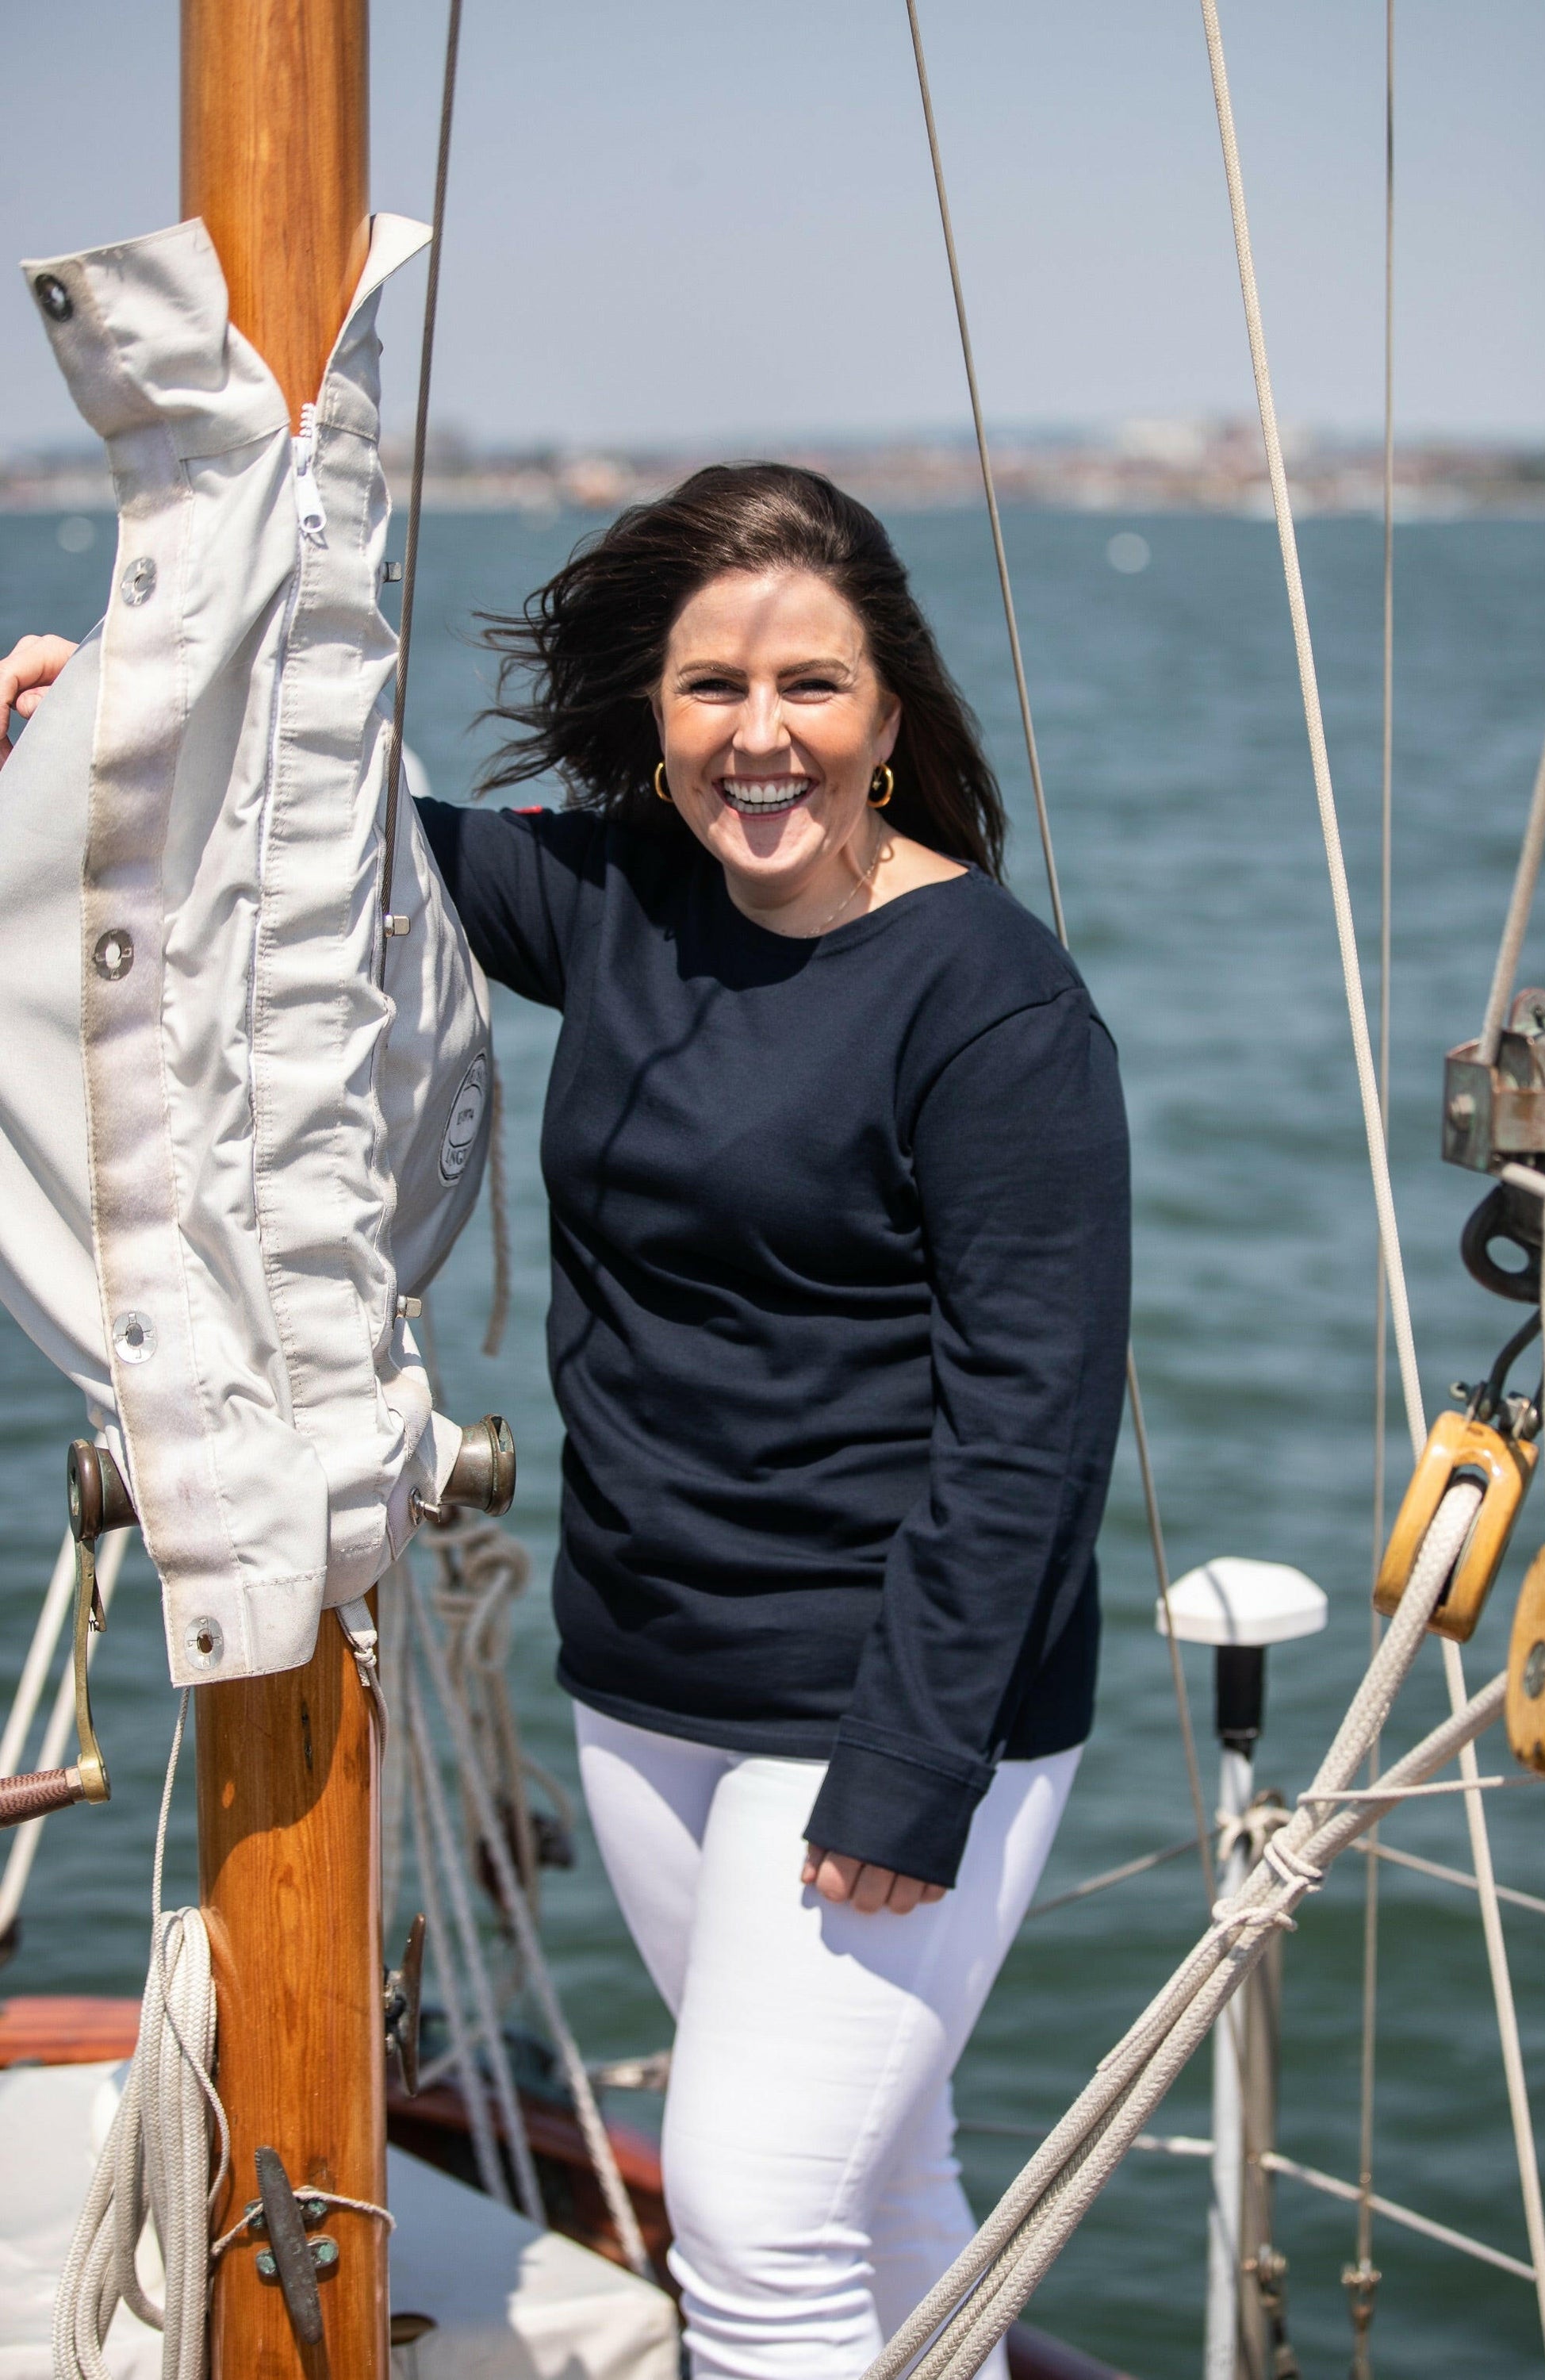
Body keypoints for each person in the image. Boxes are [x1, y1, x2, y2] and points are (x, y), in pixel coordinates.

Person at [1, 462, 1130, 2380]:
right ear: (654, 717)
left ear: (890, 714)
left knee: (758, 2229)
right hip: (648, 1684)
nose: (758, 738)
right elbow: (328, 849)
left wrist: (909, 1768)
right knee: (873, 2181)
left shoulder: (991, 1003)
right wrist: (99, 715)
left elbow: (1030, 1426)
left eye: (810, 689)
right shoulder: (622, 902)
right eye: (711, 691)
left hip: (886, 1706)